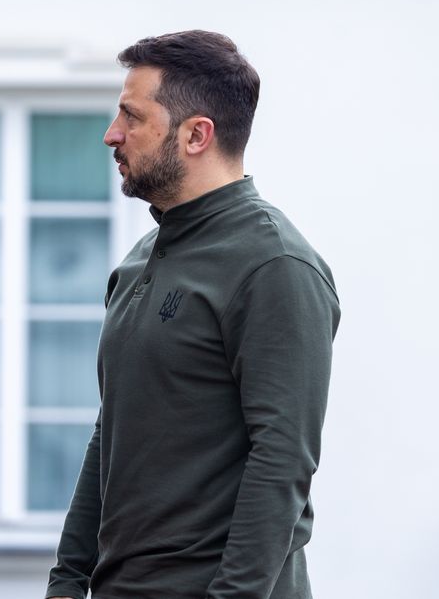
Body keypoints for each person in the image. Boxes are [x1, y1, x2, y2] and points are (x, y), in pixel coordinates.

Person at [46, 31, 341, 599]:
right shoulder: (139, 261)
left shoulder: (275, 264)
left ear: (196, 135)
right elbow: (111, 431)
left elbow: (282, 460)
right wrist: (67, 580)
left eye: (132, 117)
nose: (112, 134)